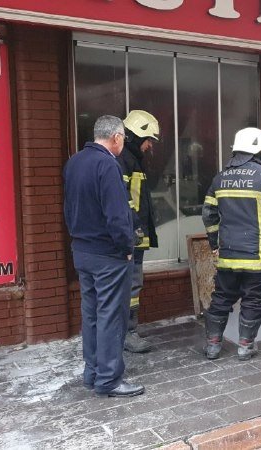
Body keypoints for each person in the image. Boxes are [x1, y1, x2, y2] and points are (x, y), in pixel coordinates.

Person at [64, 115, 143, 397]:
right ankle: (109, 379)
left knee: (92, 313)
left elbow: (69, 206)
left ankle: (93, 372)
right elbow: (117, 215)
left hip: (82, 250)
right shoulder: (108, 164)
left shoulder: (75, 161)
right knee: (111, 315)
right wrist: (127, 249)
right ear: (117, 138)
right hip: (108, 254)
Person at [201, 128, 261, 361]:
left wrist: (214, 243)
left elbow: (208, 214)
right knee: (253, 299)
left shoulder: (220, 178)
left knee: (221, 297)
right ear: (256, 151)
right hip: (257, 258)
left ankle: (212, 346)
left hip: (228, 255)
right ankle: (245, 346)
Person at [117, 110, 161, 353]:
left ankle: (127, 331)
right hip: (130, 235)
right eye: (148, 140)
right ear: (135, 136)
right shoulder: (123, 159)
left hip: (134, 234)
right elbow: (123, 199)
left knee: (134, 284)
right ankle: (127, 333)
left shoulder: (131, 159)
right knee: (131, 286)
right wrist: (135, 227)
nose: (149, 146)